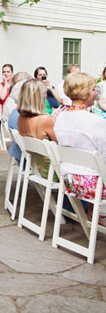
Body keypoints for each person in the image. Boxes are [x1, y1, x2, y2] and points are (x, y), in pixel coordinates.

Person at [54, 72, 106, 225]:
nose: (95, 93)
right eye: (92, 90)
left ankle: (92, 212)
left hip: (68, 179)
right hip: (90, 185)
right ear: (84, 94)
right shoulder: (94, 121)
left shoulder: (60, 118)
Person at [17, 78, 58, 178]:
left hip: (40, 168)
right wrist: (55, 122)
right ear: (38, 97)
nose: (46, 96)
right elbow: (60, 145)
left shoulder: (21, 118)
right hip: (53, 171)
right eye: (44, 93)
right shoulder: (44, 120)